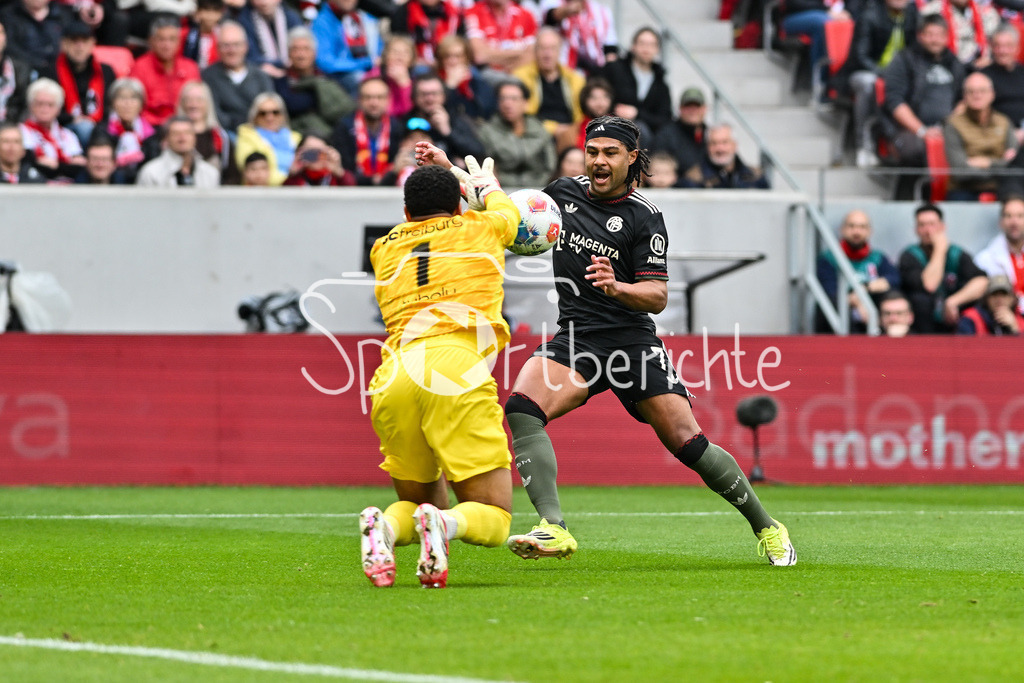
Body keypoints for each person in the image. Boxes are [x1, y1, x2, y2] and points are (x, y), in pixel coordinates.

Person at [418, 115, 797, 567]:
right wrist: (447, 170)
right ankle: (553, 527)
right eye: (592, 151)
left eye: (609, 153)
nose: (598, 161)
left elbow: (657, 296)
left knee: (688, 443)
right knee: (521, 409)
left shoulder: (645, 217)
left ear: (631, 158)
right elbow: (503, 208)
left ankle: (767, 527)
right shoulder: (561, 193)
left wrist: (618, 287)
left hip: (631, 343)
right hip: (577, 336)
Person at [358, 158, 522, 589]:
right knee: (494, 514)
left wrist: (448, 181)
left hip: (394, 373)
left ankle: (385, 531)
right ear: (458, 205)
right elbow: (509, 215)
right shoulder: (481, 229)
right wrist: (485, 185)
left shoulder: (384, 247)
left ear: (407, 212)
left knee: (414, 502)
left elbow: (428, 228)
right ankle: (445, 525)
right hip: (455, 366)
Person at [839, 0, 919, 167]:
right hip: (866, 71)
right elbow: (860, 57)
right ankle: (864, 145)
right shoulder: (869, 16)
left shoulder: (913, 16)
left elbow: (915, 52)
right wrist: (885, 74)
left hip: (898, 74)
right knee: (870, 85)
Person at [881, 14, 965, 168]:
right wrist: (922, 131)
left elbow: (963, 100)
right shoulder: (904, 59)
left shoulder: (955, 63)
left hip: (948, 129)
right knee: (918, 149)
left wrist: (947, 128)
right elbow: (895, 102)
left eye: (940, 35)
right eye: (930, 35)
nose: (935, 40)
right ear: (920, 36)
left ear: (947, 37)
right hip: (910, 131)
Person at [897, 202, 988, 333]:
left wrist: (953, 301)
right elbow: (930, 284)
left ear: (942, 226)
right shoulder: (910, 256)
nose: (928, 230)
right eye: (922, 225)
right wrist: (939, 250)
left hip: (955, 319)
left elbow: (982, 281)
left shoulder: (956, 253)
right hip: (923, 326)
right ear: (916, 230)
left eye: (932, 224)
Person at [816, 209, 900, 332]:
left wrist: (864, 289)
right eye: (851, 226)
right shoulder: (829, 259)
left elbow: (894, 279)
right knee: (835, 304)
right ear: (842, 229)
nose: (856, 231)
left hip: (872, 305)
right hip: (844, 312)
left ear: (870, 231)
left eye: (862, 227)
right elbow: (830, 291)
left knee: (895, 298)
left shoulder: (877, 257)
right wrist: (856, 301)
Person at [943, 71, 1016, 201]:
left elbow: (1014, 165)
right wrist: (999, 166)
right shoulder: (953, 125)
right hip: (964, 189)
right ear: (964, 96)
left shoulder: (1004, 122)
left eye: (982, 91)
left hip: (1002, 188)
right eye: (971, 91)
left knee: (1016, 205)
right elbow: (961, 172)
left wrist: (987, 163)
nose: (977, 95)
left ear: (992, 94)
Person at [273, 26, 354, 140]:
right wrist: (319, 98)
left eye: (306, 49)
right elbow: (292, 105)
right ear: (289, 53)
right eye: (295, 49)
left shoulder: (327, 78)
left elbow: (343, 108)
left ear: (314, 53)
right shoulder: (281, 82)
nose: (301, 55)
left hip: (330, 135)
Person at [513, 25, 585, 153]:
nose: (547, 54)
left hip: (569, 132)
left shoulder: (575, 79)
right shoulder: (521, 76)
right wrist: (554, 128)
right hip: (535, 130)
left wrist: (570, 130)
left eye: (552, 49)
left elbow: (581, 114)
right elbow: (523, 114)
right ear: (535, 51)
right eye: (542, 49)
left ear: (559, 51)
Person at [45, 20, 114, 146]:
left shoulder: (105, 71)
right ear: (63, 44)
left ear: (92, 44)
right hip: (64, 127)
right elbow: (45, 108)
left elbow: (112, 105)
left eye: (84, 41)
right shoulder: (50, 71)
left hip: (101, 126)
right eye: (74, 41)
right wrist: (73, 119)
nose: (80, 46)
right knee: (85, 128)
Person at [477, 78, 556, 188]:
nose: (507, 104)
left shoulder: (540, 130)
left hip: (539, 188)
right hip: (502, 190)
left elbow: (550, 165)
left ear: (525, 103)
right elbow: (486, 167)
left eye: (514, 99)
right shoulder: (487, 131)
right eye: (502, 99)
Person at [201, 20, 275, 134]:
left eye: (237, 45)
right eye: (226, 45)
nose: (232, 51)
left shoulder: (261, 76)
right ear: (217, 48)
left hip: (261, 132)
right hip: (227, 133)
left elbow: (270, 109)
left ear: (245, 46)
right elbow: (215, 114)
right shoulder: (208, 77)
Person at [601, 26, 672, 142]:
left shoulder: (661, 85)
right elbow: (597, 93)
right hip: (611, 124)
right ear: (633, 46)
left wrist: (637, 113)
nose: (646, 48)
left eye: (651, 45)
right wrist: (614, 109)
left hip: (645, 137)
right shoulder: (615, 69)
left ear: (657, 49)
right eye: (642, 43)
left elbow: (665, 119)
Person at [129, 14, 201, 127]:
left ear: (179, 42)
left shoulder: (190, 67)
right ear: (151, 41)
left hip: (185, 128)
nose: (167, 45)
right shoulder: (140, 67)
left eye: (172, 39)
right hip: (151, 128)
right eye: (161, 39)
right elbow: (134, 108)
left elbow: (197, 105)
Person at [332, 75, 405, 185]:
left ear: (388, 100)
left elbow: (398, 165)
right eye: (368, 97)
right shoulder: (344, 127)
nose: (374, 103)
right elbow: (343, 168)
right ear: (359, 100)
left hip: (389, 190)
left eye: (379, 97)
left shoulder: (397, 127)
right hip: (353, 191)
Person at [404, 72, 484, 168]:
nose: (429, 98)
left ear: (444, 96)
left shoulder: (456, 119)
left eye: (434, 93)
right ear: (415, 97)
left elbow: (477, 152)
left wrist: (448, 132)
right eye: (424, 94)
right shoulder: (405, 121)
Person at [311, 0, 384, 95]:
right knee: (361, 81)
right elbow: (325, 63)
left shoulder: (363, 18)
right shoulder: (321, 22)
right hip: (338, 78)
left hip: (369, 70)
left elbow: (379, 50)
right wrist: (365, 63)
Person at [19, 77, 86, 180]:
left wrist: (56, 166)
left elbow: (79, 168)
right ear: (30, 106)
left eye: (50, 105)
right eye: (39, 104)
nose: (44, 109)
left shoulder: (68, 135)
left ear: (59, 109)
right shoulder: (21, 131)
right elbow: (27, 163)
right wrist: (65, 165)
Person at [136, 114, 221, 187]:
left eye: (187, 133)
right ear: (166, 139)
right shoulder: (151, 173)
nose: (182, 138)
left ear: (195, 138)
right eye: (176, 133)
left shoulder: (210, 173)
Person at [235, 92, 300, 185]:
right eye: (263, 113)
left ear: (283, 115)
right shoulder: (246, 136)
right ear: (255, 116)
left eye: (275, 112)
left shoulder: (296, 138)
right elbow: (254, 173)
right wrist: (290, 179)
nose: (269, 117)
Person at [463, 0, 538, 81]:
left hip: (517, 70)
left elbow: (533, 55)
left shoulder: (526, 15)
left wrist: (492, 54)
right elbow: (479, 55)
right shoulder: (474, 12)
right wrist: (520, 53)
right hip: (485, 73)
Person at [176, 79, 234, 183]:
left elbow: (231, 175)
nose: (193, 105)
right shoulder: (169, 136)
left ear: (208, 104)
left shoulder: (221, 138)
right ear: (182, 104)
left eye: (199, 100)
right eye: (188, 100)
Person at [539, 0, 618, 76]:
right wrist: (567, 10)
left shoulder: (602, 12)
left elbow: (610, 48)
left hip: (595, 70)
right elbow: (550, 17)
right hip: (564, 70)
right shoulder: (553, 3)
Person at [681, 123, 770, 189]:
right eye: (714, 143)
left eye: (725, 142)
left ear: (735, 145)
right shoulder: (693, 179)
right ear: (707, 147)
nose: (720, 149)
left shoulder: (755, 176)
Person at [975, 195, 1024, 314]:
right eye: (1008, 216)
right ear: (1001, 222)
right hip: (1002, 324)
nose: (1014, 222)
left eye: (1020, 216)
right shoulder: (984, 259)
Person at [106, 77, 158, 183]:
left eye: (133, 98)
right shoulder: (103, 130)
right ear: (112, 103)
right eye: (121, 98)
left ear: (141, 104)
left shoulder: (150, 133)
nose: (127, 103)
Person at [920, 0, 1000, 68]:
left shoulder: (987, 13)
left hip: (979, 66)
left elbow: (996, 43)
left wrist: (989, 59)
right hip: (942, 65)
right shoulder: (931, 10)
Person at [0, 0, 73, 72]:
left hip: (62, 71)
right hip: (23, 73)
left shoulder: (65, 14)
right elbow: (9, 47)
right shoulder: (8, 15)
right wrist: (38, 64)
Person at [436, 34, 496, 122]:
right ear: (441, 60)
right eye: (447, 56)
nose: (453, 61)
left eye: (458, 56)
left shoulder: (478, 81)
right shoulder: (434, 82)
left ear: (466, 58)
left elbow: (488, 110)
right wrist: (450, 86)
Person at [652, 87, 709, 177]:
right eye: (688, 107)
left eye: (696, 106)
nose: (692, 111)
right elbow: (658, 170)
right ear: (680, 109)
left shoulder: (711, 135)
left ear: (704, 109)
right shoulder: (666, 135)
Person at [980, 21, 1024, 138]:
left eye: (1008, 46)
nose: (1003, 51)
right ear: (992, 48)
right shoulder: (983, 77)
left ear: (1017, 48)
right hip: (997, 134)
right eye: (998, 46)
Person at [237, 0, 302, 77]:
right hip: (261, 74)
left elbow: (302, 47)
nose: (264, 3)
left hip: (293, 71)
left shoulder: (292, 18)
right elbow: (249, 56)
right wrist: (261, 66)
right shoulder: (244, 20)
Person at [389, 0, 463, 68]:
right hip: (415, 64)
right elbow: (400, 43)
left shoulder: (454, 14)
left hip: (446, 62)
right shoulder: (404, 12)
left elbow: (461, 44)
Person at [365, 34, 416, 118]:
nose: (400, 56)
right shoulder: (373, 75)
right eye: (395, 51)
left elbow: (410, 112)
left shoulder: (417, 79)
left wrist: (404, 84)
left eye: (406, 52)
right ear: (385, 56)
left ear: (412, 59)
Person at [956, 274, 1023, 333]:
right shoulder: (971, 319)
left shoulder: (1021, 321)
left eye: (1004, 294)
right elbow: (963, 345)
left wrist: (1015, 329)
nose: (999, 299)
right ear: (986, 298)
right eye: (994, 294)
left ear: (1012, 298)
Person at [283, 132, 354, 185]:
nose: (316, 157)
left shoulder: (334, 178)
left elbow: (351, 191)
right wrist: (292, 174)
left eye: (320, 152)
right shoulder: (296, 179)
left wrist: (339, 171)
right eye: (310, 153)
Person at [0, 18, 33, 123]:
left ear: (5, 37)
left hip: (12, 129)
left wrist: (15, 128)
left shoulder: (20, 69)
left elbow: (26, 105)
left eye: (0, 33)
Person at [179, 0, 226, 70]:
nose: (210, 16)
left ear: (221, 14)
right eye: (206, 10)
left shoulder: (223, 35)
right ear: (198, 12)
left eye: (215, 11)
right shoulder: (186, 34)